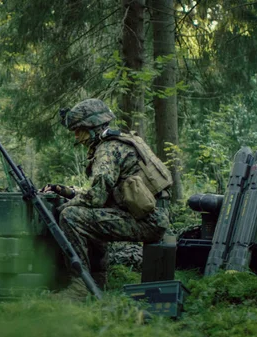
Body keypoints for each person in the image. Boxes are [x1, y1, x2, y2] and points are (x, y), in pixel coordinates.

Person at [43, 98, 173, 296]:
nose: (77, 137)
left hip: (147, 222)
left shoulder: (107, 150)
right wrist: (65, 191)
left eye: (80, 130)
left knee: (71, 216)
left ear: (93, 126)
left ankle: (81, 287)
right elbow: (102, 193)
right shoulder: (119, 142)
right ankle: (97, 280)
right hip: (153, 218)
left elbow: (95, 198)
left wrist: (63, 207)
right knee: (86, 214)